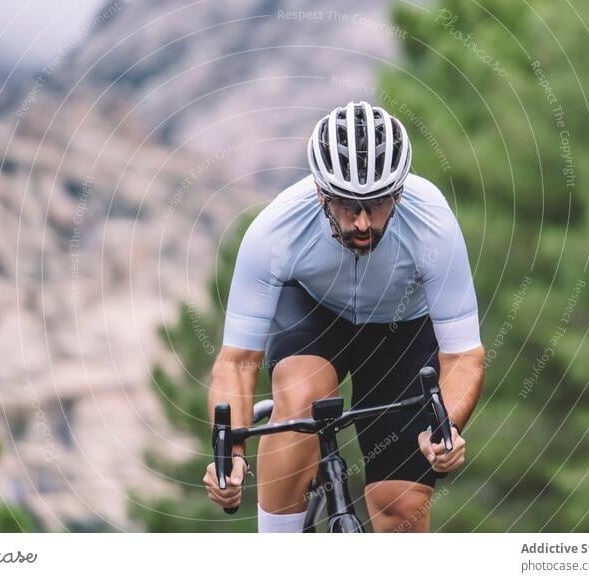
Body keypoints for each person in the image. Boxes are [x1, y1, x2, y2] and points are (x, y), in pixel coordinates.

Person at [203, 101, 485, 532]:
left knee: (401, 508)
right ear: (320, 192)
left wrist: (444, 431)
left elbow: (464, 356)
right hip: (316, 316)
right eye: (346, 205)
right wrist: (232, 458)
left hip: (402, 329)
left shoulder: (433, 223)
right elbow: (238, 360)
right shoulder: (274, 231)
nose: (362, 223)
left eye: (376, 204)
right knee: (301, 401)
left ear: (399, 193)